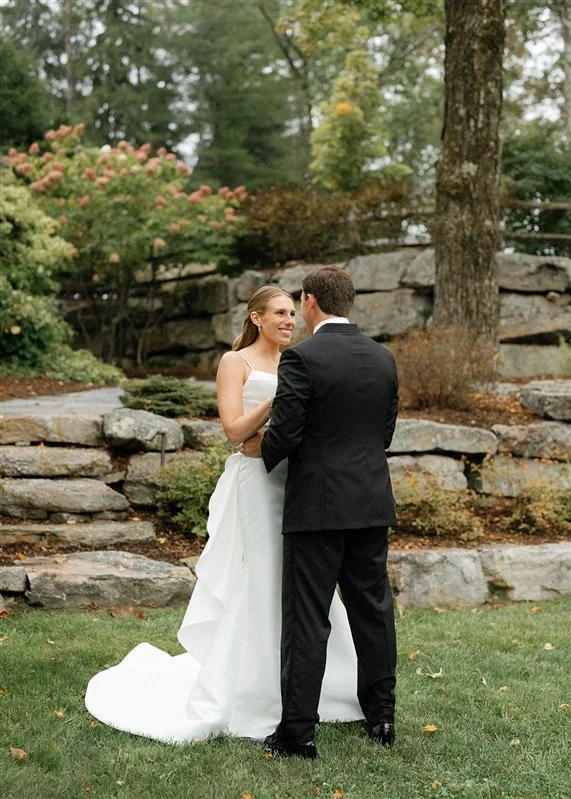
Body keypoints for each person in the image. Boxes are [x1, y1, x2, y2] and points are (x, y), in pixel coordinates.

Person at [85, 285, 363, 743]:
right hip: (257, 483)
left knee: (306, 582)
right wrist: (280, 400)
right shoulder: (236, 363)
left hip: (300, 482)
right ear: (256, 317)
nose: (289, 320)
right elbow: (234, 430)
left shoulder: (305, 359)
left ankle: (324, 686)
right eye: (278, 312)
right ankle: (252, 692)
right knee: (261, 578)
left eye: (293, 312)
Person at [243, 266, 399, 760]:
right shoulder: (383, 358)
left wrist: (258, 454)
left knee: (308, 619)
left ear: (310, 301)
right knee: (372, 611)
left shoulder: (302, 359)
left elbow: (285, 433)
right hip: (371, 503)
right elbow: (384, 434)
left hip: (317, 508)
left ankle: (298, 733)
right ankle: (382, 715)